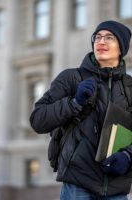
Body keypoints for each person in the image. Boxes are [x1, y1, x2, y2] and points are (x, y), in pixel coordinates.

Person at [29, 20, 132, 200]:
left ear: (121, 47)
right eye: (97, 37)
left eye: (109, 38)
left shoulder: (130, 87)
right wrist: (74, 102)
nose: (101, 42)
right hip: (78, 184)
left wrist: (128, 156)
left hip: (116, 187)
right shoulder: (71, 78)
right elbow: (38, 120)